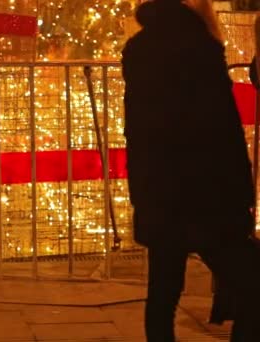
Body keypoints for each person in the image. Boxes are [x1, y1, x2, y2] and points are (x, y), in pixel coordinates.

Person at [121, 0, 260, 341]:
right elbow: (223, 130)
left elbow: (138, 131)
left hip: (160, 190)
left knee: (163, 294)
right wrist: (242, 192)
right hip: (207, 192)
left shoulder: (139, 49)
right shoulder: (201, 49)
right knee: (252, 287)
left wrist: (143, 190)